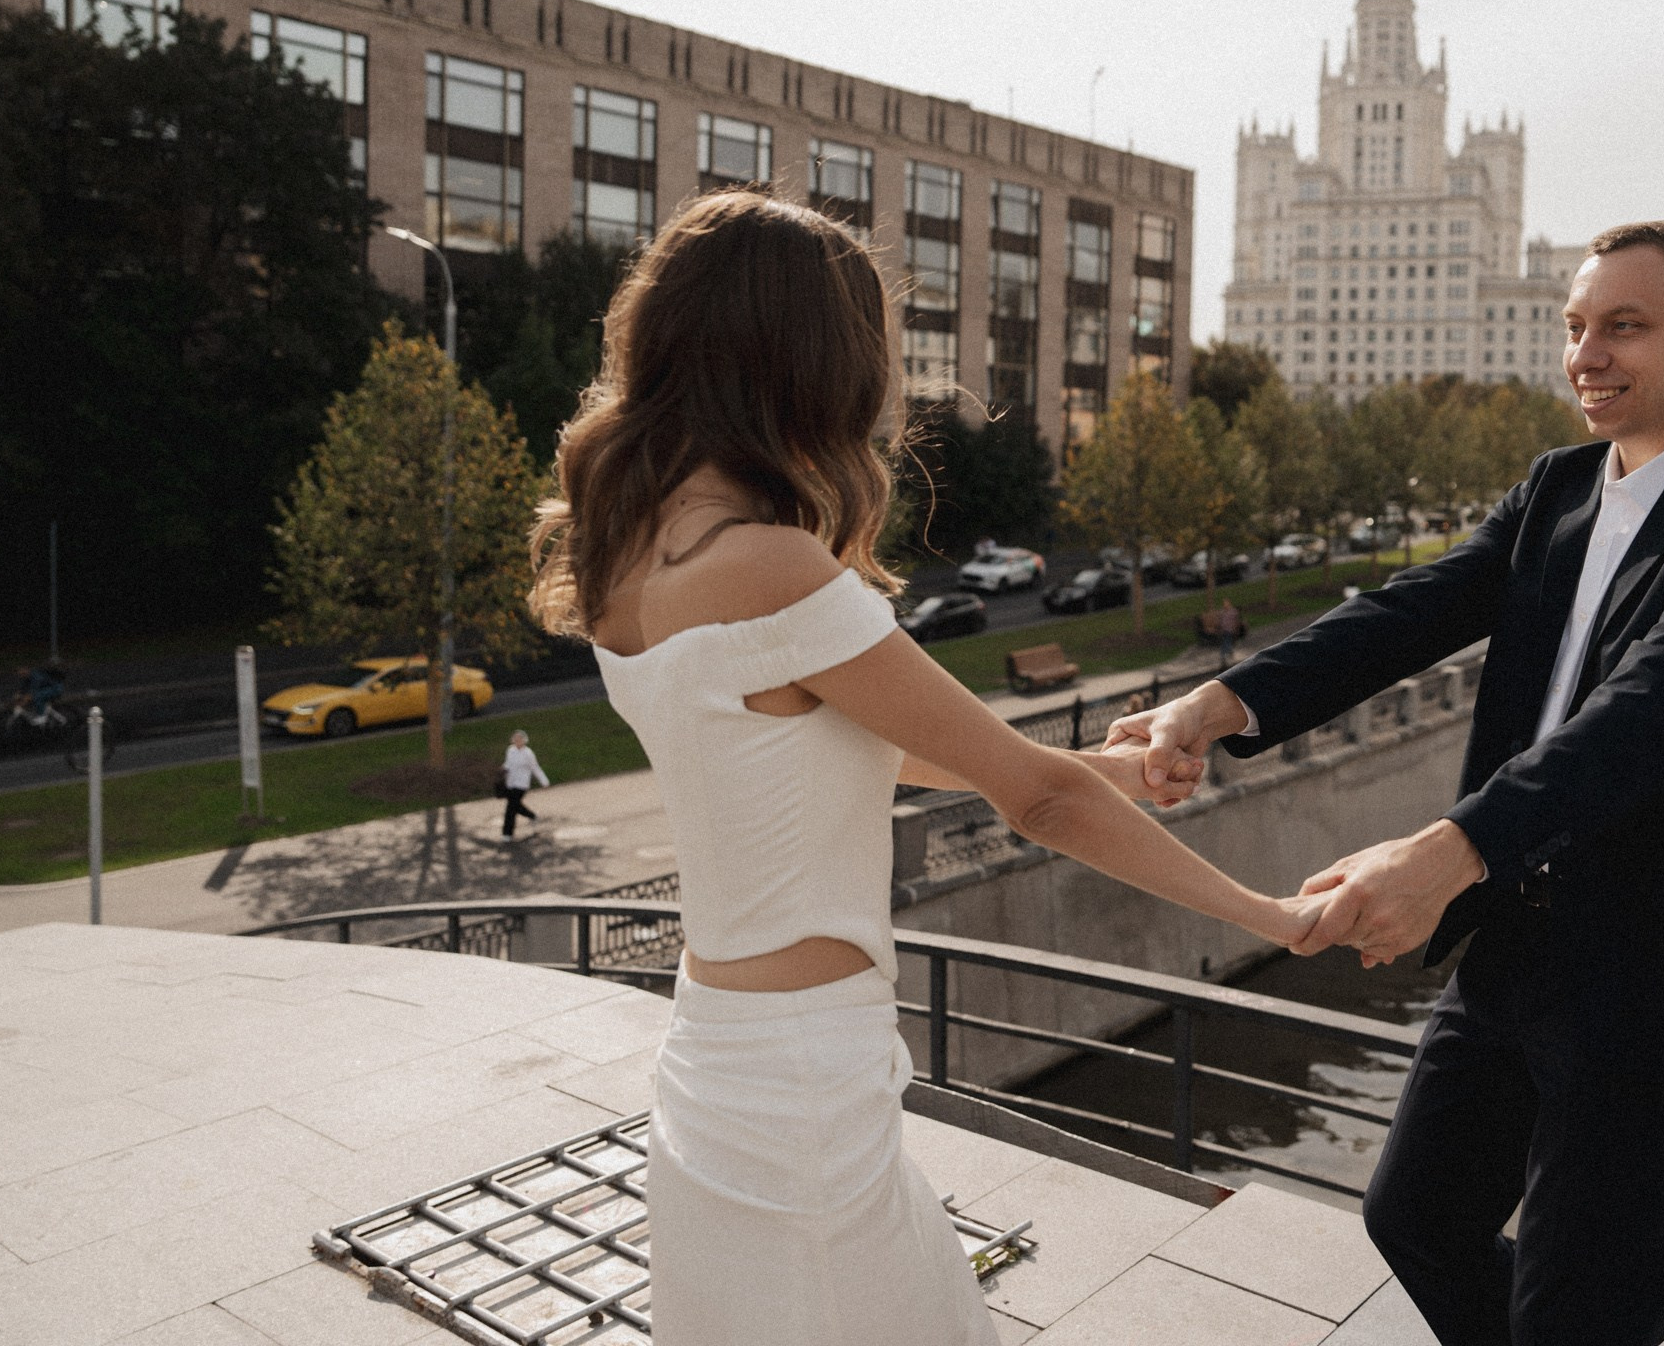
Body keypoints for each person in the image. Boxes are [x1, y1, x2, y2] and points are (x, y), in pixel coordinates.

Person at [528, 192, 1307, 1346]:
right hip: (802, 1081)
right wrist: (1270, 913)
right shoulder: (774, 564)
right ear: (810, 363)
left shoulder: (631, 547)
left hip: (720, 1052)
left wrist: (1090, 759)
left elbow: (823, 748)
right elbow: (1033, 804)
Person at [1110, 221, 1664, 1346]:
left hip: (1659, 977)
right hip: (1512, 944)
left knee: (1582, 1309)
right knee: (1413, 1214)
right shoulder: (1555, 487)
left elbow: (1654, 708)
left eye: (1624, 328)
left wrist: (1447, 850)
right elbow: (1407, 612)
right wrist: (1216, 706)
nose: (1586, 356)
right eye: (1575, 328)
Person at [500, 729, 548, 839]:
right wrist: (502, 770)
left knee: (510, 808)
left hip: (521, 784)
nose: (517, 741)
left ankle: (507, 834)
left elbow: (535, 767)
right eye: (515, 739)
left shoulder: (528, 753)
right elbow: (508, 763)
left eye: (519, 739)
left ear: (524, 740)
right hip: (510, 783)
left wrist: (544, 781)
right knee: (515, 806)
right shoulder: (510, 750)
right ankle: (532, 816)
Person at [1214, 598, 1242, 668]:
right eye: (1224, 604)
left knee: (1226, 642)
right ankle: (1227, 654)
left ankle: (1226, 654)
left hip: (1229, 630)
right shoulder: (1222, 612)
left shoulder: (1233, 612)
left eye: (1226, 603)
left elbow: (1236, 621)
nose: (1225, 605)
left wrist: (1236, 628)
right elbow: (1219, 620)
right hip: (1223, 630)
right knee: (1225, 642)